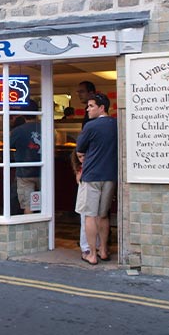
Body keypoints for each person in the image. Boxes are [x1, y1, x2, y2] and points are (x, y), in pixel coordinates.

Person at [75, 92, 118, 265]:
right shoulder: (116, 124)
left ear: (102, 108)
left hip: (92, 176)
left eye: (91, 106)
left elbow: (79, 149)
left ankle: (92, 254)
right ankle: (104, 250)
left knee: (90, 216)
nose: (87, 109)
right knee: (103, 216)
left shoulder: (91, 126)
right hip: (110, 176)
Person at [9, 100, 42, 214]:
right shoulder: (45, 128)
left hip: (24, 172)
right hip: (43, 171)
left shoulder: (18, 130)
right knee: (44, 204)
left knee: (28, 205)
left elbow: (8, 145)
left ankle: (30, 230)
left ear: (23, 114)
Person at [75, 80, 96, 258]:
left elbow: (81, 146)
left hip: (90, 168)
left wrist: (81, 163)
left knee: (87, 211)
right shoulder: (88, 116)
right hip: (96, 168)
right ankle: (97, 247)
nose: (79, 95)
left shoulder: (91, 120)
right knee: (96, 212)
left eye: (81, 92)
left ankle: (88, 248)